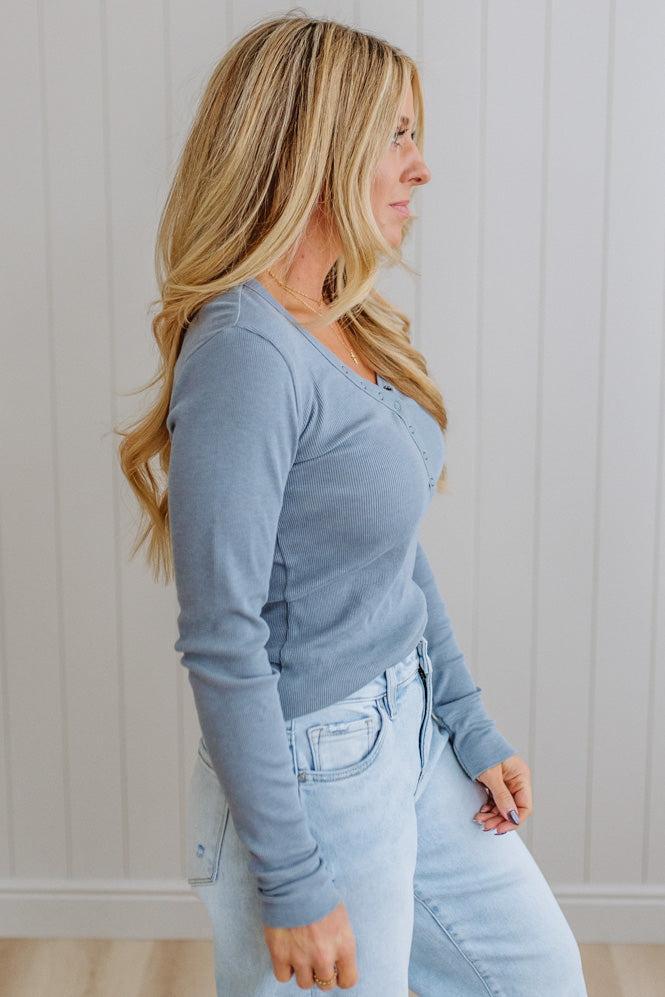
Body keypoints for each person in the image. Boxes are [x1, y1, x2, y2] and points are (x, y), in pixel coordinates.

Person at [116, 12, 588, 995]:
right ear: (311, 143)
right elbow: (220, 633)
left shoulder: (338, 318)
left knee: (537, 972)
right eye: (397, 134)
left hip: (407, 725)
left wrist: (466, 723)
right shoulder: (245, 352)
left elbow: (386, 549)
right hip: (315, 766)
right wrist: (289, 879)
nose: (419, 168)